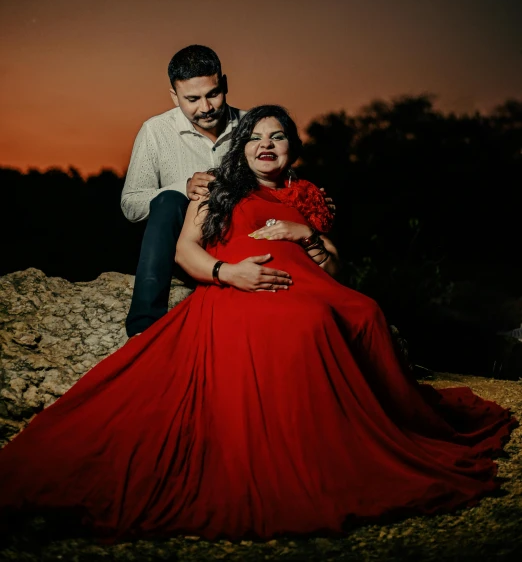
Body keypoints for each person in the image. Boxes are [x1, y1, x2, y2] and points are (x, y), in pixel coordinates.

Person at [0, 106, 515, 543]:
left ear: (291, 146)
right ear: (241, 147)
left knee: (365, 312)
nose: (267, 144)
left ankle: (373, 430)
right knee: (304, 323)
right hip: (239, 288)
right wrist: (231, 273)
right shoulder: (216, 187)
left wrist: (306, 232)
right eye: (257, 137)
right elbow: (186, 252)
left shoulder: (307, 194)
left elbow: (334, 266)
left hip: (312, 285)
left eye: (278, 136)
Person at [121, 44, 245, 337]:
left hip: (241, 243)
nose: (206, 107)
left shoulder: (251, 124)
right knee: (167, 199)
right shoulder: (155, 130)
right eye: (192, 99)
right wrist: (182, 187)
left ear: (224, 84)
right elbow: (131, 205)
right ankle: (144, 330)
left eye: (213, 94)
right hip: (183, 250)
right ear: (174, 96)